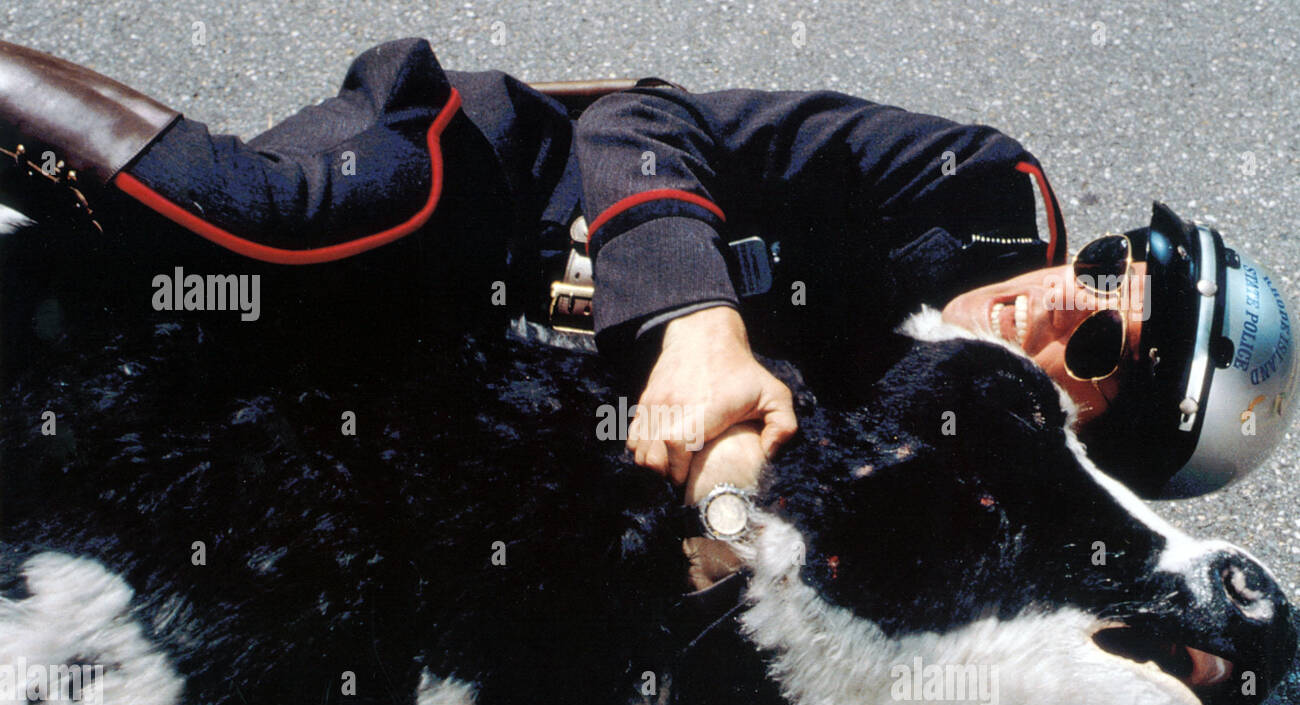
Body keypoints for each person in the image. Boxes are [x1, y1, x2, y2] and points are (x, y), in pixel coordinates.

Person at [1, 37, 1294, 500]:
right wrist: (695, 321)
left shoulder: (968, 502)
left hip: (491, 405)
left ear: (1091, 447)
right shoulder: (978, 187)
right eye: (1117, 262)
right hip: (496, 197)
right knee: (251, 224)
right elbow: (644, 117)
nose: (1067, 293)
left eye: (1104, 346)